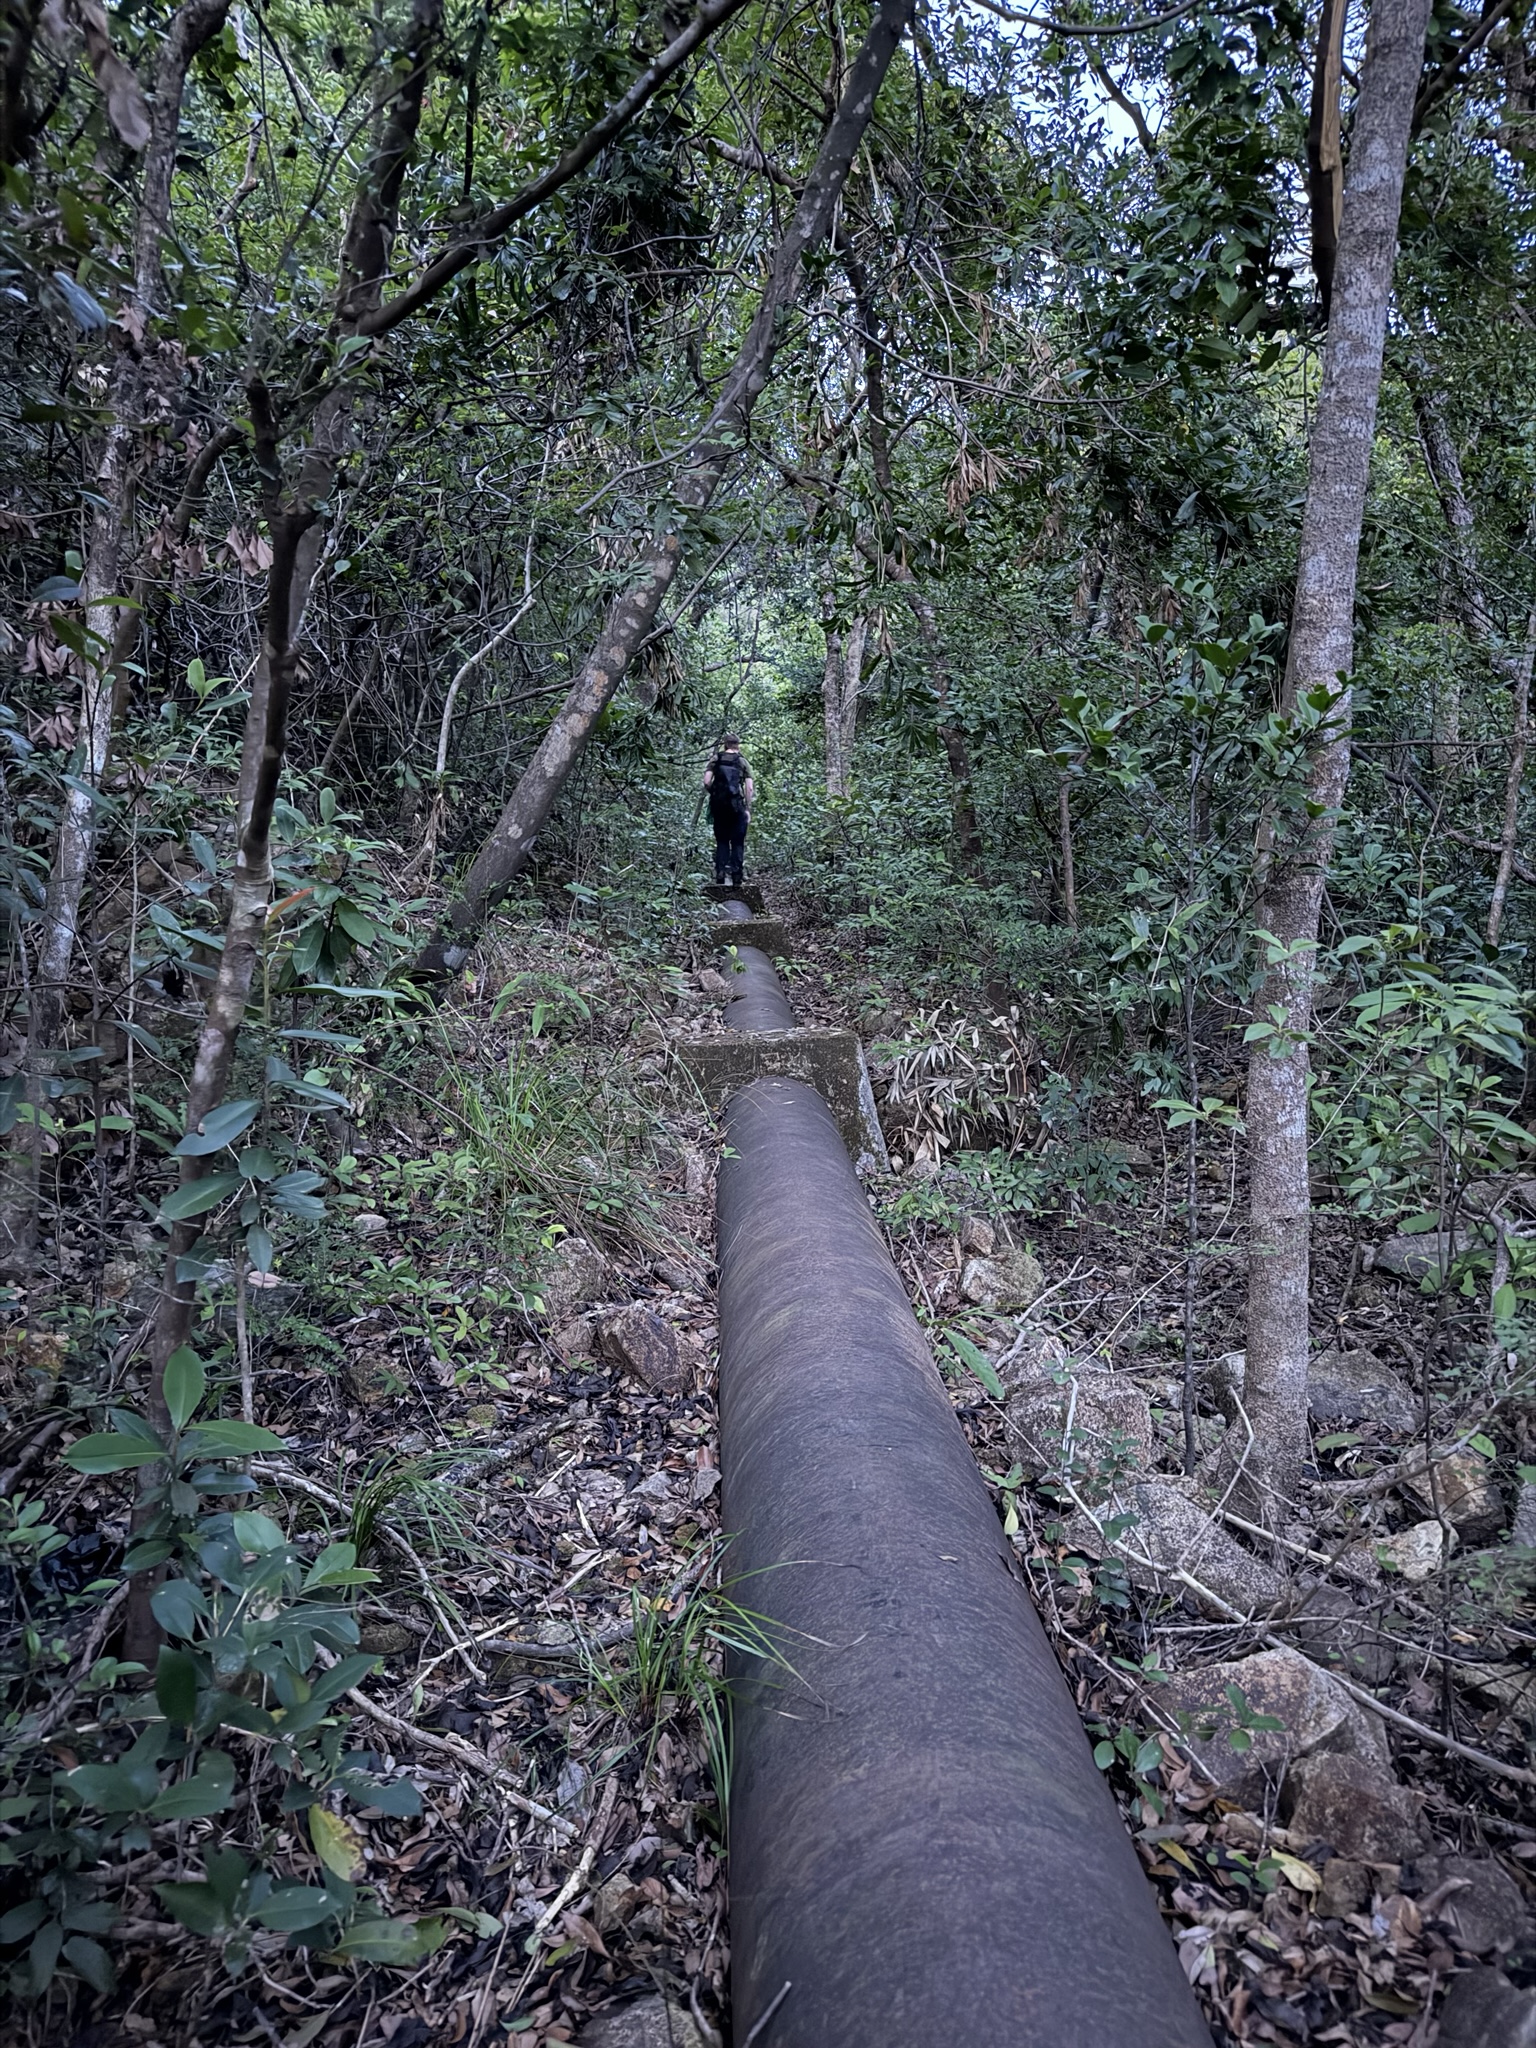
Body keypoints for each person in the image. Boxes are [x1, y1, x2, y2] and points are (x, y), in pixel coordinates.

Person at [703, 733, 754, 886]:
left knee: (722, 841)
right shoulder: (742, 761)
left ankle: (720, 873)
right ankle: (737, 876)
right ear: (737, 745)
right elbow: (749, 788)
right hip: (737, 806)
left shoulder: (716, 759)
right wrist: (747, 809)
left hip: (719, 807)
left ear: (725, 744)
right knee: (738, 842)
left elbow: (706, 781)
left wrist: (715, 795)